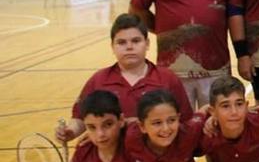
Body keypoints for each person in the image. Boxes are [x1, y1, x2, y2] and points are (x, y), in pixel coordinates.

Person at [57, 14, 193, 143]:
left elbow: (184, 120)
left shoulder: (167, 79)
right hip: (115, 159)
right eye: (121, 42)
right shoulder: (98, 80)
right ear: (112, 46)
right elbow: (81, 117)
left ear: (147, 44)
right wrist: (71, 131)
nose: (129, 47)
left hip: (158, 156)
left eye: (136, 41)